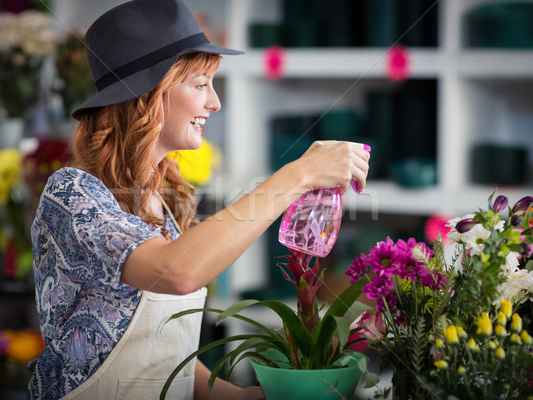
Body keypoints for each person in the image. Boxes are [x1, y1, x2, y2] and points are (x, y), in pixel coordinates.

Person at [28, 0, 370, 399]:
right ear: (149, 95)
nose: (214, 102)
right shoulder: (72, 195)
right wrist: (298, 175)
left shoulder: (163, 203)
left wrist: (239, 397)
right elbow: (176, 273)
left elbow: (163, 346)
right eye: (200, 83)